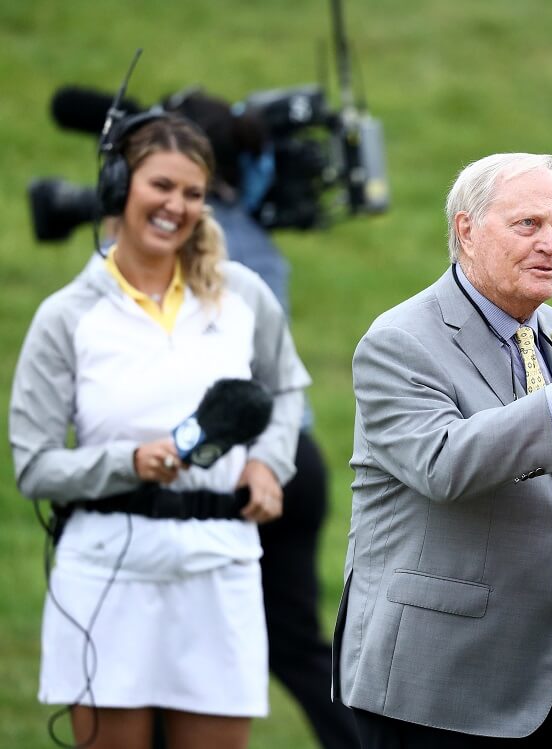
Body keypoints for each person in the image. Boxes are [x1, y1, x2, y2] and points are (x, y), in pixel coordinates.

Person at [9, 114, 309, 749]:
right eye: (161, 186)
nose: (176, 206)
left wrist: (268, 464)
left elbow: (286, 389)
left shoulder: (243, 297)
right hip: (104, 578)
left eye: (193, 194)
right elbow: (34, 467)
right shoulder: (68, 316)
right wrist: (129, 463)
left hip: (220, 569)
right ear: (119, 185)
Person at [333, 152, 552, 748]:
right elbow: (444, 463)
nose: (550, 244)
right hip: (435, 688)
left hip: (550, 677)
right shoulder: (399, 341)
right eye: (527, 224)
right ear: (465, 230)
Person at [172, 90, 359, 749]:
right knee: (296, 644)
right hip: (296, 454)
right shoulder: (255, 226)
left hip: (233, 460)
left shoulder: (186, 244)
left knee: (183, 647)